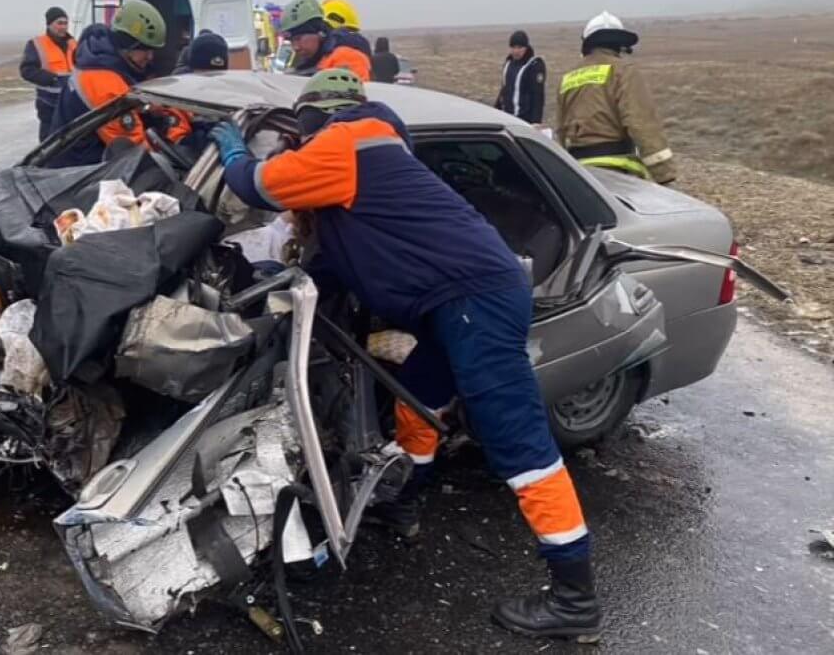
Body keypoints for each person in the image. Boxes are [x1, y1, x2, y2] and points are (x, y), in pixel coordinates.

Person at [208, 69, 600, 641]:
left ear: (314, 119)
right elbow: (337, 261)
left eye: (301, 133)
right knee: (417, 398)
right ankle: (403, 503)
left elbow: (256, 186)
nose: (301, 145)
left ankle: (575, 599)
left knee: (519, 443)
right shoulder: (367, 167)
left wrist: (234, 149)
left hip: (475, 302)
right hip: (457, 302)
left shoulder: (347, 142)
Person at [49, 0, 188, 167]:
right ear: (127, 45)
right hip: (81, 173)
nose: (150, 57)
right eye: (145, 49)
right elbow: (137, 153)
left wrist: (146, 108)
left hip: (72, 160)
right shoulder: (105, 83)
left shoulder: (100, 61)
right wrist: (175, 147)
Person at [556, 11, 677, 184]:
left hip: (579, 173)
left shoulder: (568, 78)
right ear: (620, 45)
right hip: (617, 171)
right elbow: (641, 123)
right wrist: (664, 175)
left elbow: (560, 130)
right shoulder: (624, 72)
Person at [280, 0, 372, 81]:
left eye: (298, 39)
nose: (296, 47)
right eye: (291, 41)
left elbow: (350, 94)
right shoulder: (312, 60)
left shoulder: (345, 57)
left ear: (319, 33)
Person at [20, 7, 77, 142]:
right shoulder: (36, 44)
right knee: (49, 142)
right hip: (49, 103)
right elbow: (27, 70)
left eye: (65, 23)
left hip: (70, 101)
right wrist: (50, 78)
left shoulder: (73, 43)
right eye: (59, 23)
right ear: (49, 24)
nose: (63, 27)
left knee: (72, 139)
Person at [495, 30, 546, 124]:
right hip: (507, 118)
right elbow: (504, 90)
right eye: (513, 47)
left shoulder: (534, 65)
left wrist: (536, 122)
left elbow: (538, 96)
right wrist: (495, 111)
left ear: (526, 47)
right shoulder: (508, 64)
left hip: (524, 120)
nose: (516, 51)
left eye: (519, 47)